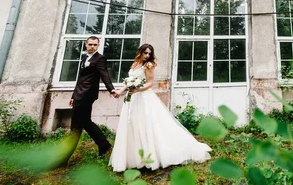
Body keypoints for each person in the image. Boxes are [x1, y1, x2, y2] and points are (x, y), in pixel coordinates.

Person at [109, 43, 211, 172]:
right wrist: (120, 91)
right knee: (132, 125)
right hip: (132, 98)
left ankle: (150, 156)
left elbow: (150, 83)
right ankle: (134, 158)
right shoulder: (135, 64)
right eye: (145, 53)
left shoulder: (149, 65)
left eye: (149, 54)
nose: (147, 55)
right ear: (140, 52)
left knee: (147, 125)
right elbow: (130, 81)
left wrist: (138, 89)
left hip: (143, 97)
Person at [68, 36, 118, 159]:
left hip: (87, 96)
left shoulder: (99, 58)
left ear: (98, 45)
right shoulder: (84, 58)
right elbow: (80, 79)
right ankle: (104, 145)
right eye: (90, 44)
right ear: (86, 44)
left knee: (75, 127)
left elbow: (104, 75)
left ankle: (63, 157)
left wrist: (111, 89)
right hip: (79, 95)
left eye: (95, 45)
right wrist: (73, 95)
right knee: (86, 122)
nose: (92, 47)